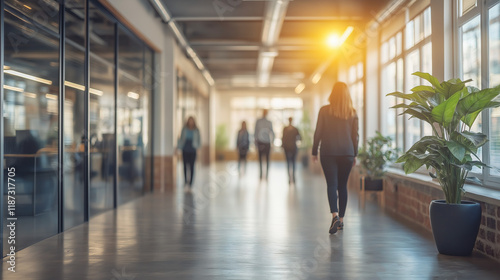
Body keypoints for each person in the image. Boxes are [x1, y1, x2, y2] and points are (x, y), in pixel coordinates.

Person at [312, 82, 358, 234]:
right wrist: (355, 154)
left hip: (328, 152)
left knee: (332, 184)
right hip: (347, 152)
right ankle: (342, 221)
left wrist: (314, 151)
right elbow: (355, 136)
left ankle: (335, 216)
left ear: (332, 93)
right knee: (343, 186)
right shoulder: (352, 112)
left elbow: (318, 132)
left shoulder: (324, 110)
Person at [178, 116, 201, 188]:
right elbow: (181, 139)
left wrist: (198, 148)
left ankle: (190, 183)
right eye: (189, 120)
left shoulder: (196, 130)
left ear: (194, 122)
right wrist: (178, 147)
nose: (191, 122)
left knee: (192, 166)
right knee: (185, 166)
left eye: (192, 121)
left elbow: (199, 140)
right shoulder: (184, 129)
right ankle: (185, 182)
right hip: (185, 149)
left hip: (193, 149)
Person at [254, 109, 274, 180]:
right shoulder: (258, 121)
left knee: (267, 159)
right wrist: (256, 143)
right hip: (260, 142)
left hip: (267, 143)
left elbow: (272, 132)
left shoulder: (269, 122)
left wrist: (272, 142)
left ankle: (267, 175)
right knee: (260, 159)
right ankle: (261, 174)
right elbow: (255, 132)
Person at [282, 117, 301, 184]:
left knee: (288, 163)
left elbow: (283, 138)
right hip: (293, 147)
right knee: (293, 163)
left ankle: (289, 178)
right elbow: (300, 138)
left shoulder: (285, 129)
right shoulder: (295, 129)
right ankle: (293, 177)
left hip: (287, 147)